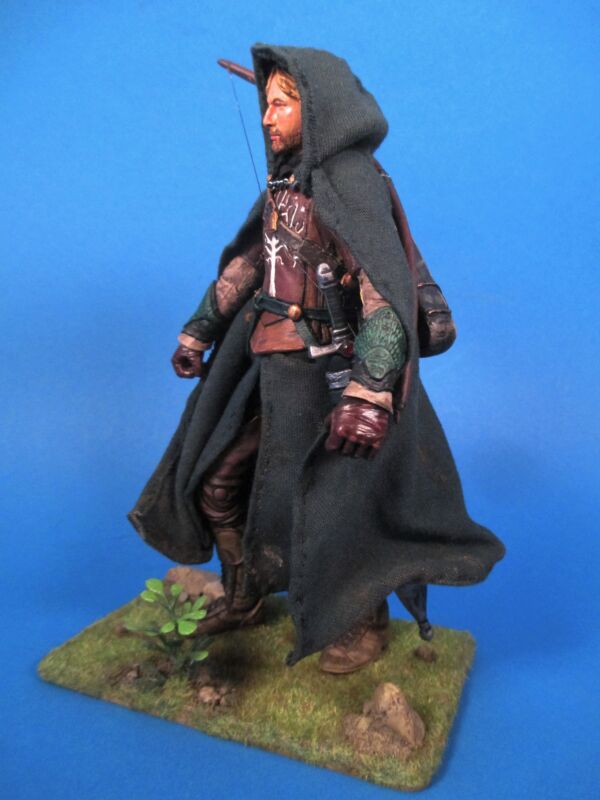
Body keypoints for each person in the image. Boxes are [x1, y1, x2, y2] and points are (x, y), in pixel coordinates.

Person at [129, 44, 504, 674]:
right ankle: (246, 591)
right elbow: (250, 264)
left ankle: (361, 617)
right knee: (219, 480)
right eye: (266, 102)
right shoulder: (286, 184)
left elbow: (384, 295)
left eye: (282, 103)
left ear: (319, 107)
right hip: (269, 365)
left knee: (341, 504)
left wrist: (370, 390)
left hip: (333, 373)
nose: (267, 117)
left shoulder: (353, 183)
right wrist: (200, 329)